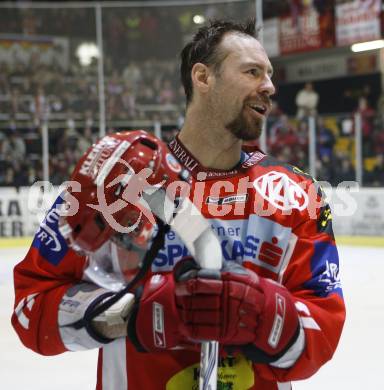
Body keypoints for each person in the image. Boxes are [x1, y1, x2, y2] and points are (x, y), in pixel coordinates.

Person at [12, 19, 345, 390]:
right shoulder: (121, 178)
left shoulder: (296, 194)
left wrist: (267, 316)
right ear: (203, 78)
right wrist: (129, 314)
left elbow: (324, 326)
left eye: (268, 74)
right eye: (252, 72)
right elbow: (32, 309)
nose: (268, 86)